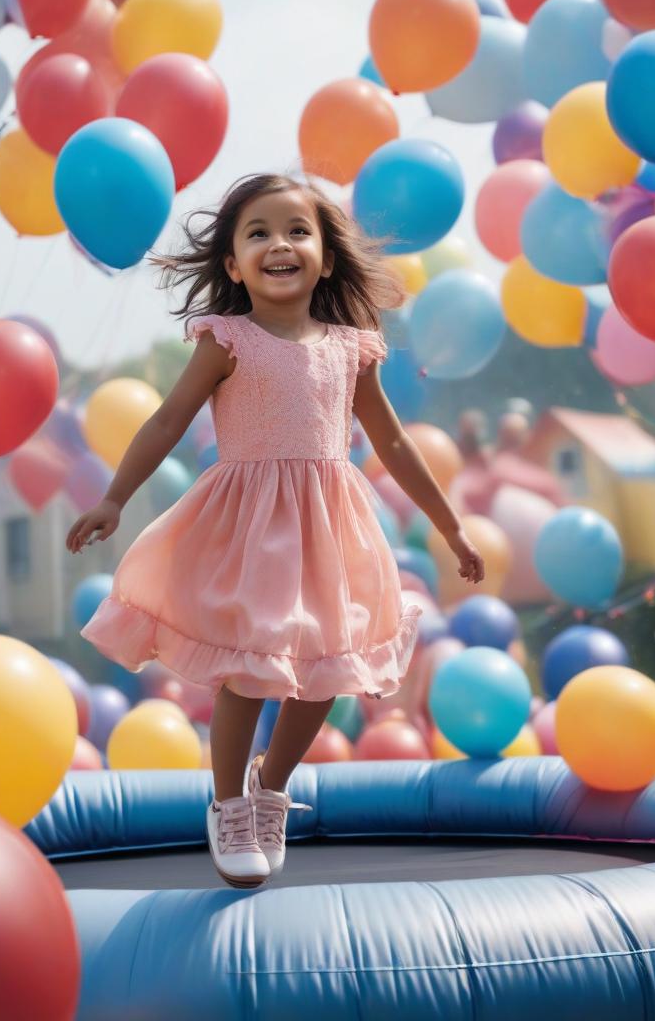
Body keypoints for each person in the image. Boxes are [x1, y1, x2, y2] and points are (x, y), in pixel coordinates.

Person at [65, 174, 484, 889]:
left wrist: (448, 526)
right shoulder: (228, 341)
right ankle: (228, 804)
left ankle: (270, 785)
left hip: (328, 524)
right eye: (257, 233)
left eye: (297, 230)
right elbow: (167, 420)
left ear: (323, 255)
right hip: (251, 524)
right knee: (253, 668)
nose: (278, 244)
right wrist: (114, 498)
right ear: (232, 264)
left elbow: (393, 444)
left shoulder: (351, 348)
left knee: (327, 670)